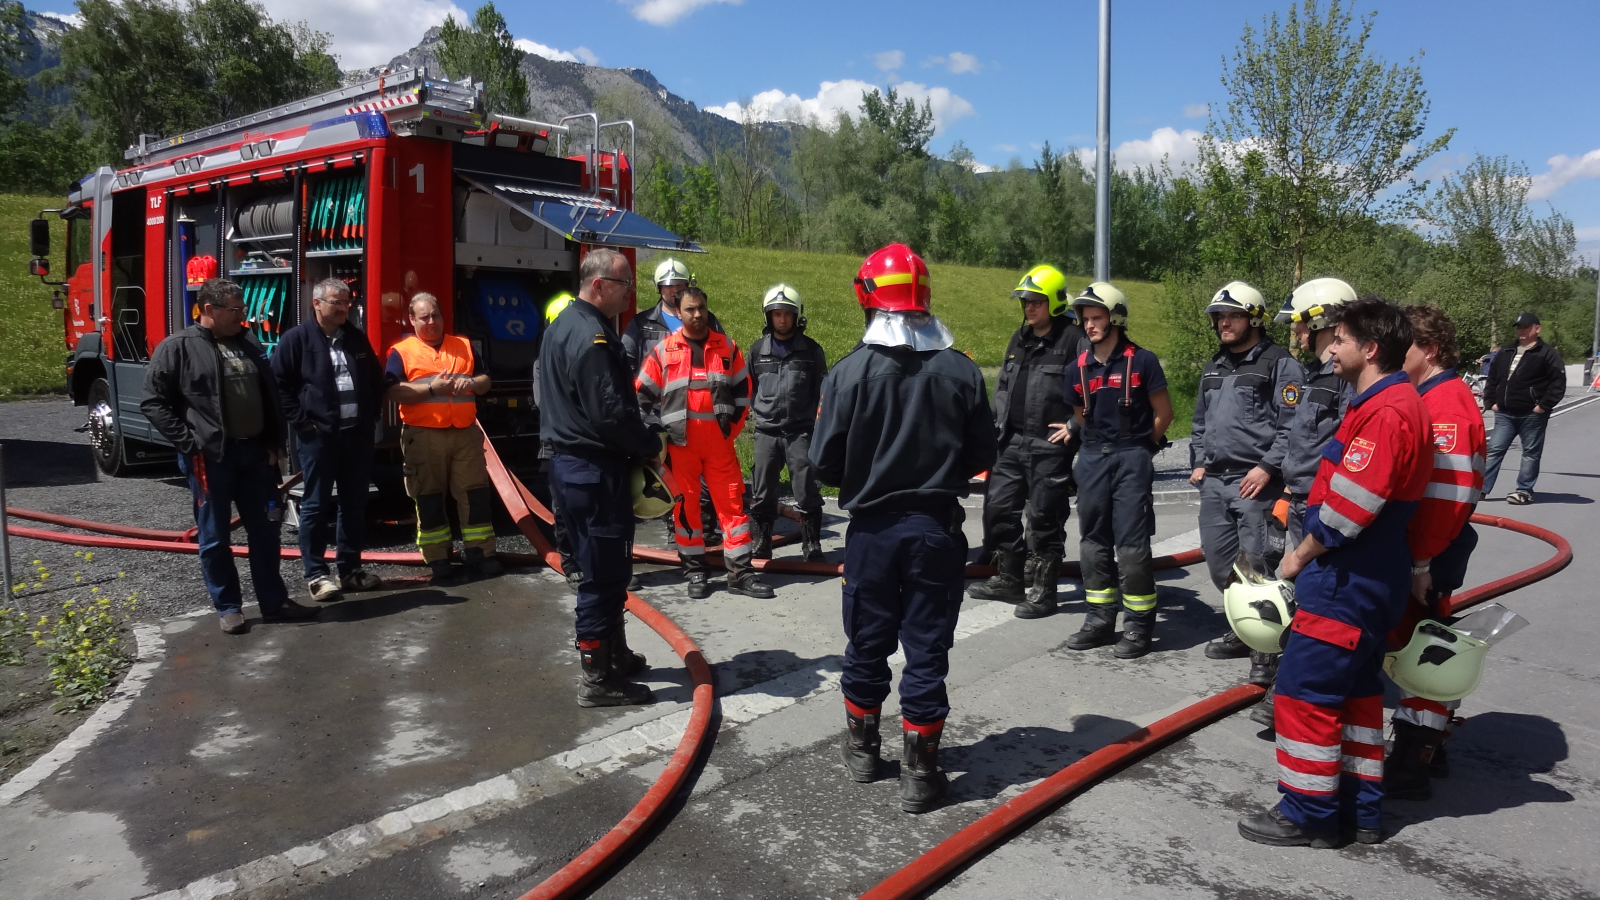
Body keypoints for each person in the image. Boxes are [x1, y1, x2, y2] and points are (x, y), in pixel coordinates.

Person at [812, 243, 998, 814]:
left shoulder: (847, 373)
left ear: (868, 298)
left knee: (867, 643)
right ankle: (921, 772)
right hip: (936, 532)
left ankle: (864, 751)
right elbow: (982, 451)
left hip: (870, 533)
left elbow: (823, 463)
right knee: (926, 650)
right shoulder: (962, 370)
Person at [1239, 296, 1430, 848]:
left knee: (1305, 692)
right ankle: (1359, 809)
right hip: (1372, 574)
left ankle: (1307, 814)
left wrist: (1298, 558)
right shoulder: (1391, 402)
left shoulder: (1386, 410)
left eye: (1341, 338)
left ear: (1370, 350)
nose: (1332, 345)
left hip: (1348, 576)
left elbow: (1350, 506)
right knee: (1357, 696)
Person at [141, 278, 319, 634]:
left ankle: (274, 602)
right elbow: (152, 401)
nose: (243, 316)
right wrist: (188, 443)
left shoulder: (248, 343)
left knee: (266, 532)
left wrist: (274, 444)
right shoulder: (178, 348)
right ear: (209, 310)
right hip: (210, 459)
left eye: (242, 309)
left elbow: (269, 396)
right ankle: (228, 607)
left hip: (255, 455)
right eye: (235, 310)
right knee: (215, 537)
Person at [539, 249, 664, 707]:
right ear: (599, 285)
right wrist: (649, 446)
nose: (630, 293)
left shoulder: (562, 326)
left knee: (605, 567)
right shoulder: (592, 336)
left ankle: (615, 655)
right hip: (593, 470)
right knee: (603, 574)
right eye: (625, 283)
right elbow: (610, 413)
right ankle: (597, 678)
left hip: (571, 469)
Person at [1385, 305, 1486, 802]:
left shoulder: (1446, 406)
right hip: (1423, 552)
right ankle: (1424, 745)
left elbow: (1448, 496)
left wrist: (1421, 563)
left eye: (1402, 346)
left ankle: (1411, 764)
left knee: (1421, 655)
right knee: (1417, 648)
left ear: (1430, 349)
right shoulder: (1434, 397)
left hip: (1426, 555)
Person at [1251, 277, 1358, 727]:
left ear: (1324, 321)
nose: (1295, 334)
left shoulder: (1346, 384)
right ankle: (1281, 676)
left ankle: (1294, 697)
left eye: (1299, 325)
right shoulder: (1315, 378)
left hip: (1322, 510)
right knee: (1288, 591)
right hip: (1296, 501)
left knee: (1313, 602)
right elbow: (1299, 440)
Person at [1193, 282, 1305, 683]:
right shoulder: (1214, 365)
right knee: (1221, 564)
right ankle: (1244, 628)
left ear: (1254, 318)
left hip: (1256, 482)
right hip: (1216, 482)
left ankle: (1266, 650)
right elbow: (1200, 420)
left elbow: (1293, 427)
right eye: (1220, 317)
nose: (1224, 323)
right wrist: (1198, 461)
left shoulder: (1280, 364)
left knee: (1258, 565)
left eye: (1233, 315)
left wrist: (1267, 468)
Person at [1054, 282, 1173, 659]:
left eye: (1096, 318)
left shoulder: (1143, 361)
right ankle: (1100, 619)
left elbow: (1164, 414)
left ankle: (1138, 627)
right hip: (1090, 457)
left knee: (1132, 546)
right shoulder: (1077, 367)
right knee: (1092, 543)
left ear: (1115, 318)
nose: (1088, 326)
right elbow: (1078, 416)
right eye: (1085, 319)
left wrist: (1142, 449)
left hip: (1131, 456)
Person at [636, 286, 774, 600]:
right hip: (680, 446)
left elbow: (743, 394)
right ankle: (696, 572)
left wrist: (728, 433)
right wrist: (653, 437)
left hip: (719, 446)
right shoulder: (664, 351)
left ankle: (740, 574)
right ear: (678, 311)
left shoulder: (727, 347)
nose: (697, 315)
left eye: (701, 308)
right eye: (689, 310)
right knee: (686, 510)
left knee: (733, 509)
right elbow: (641, 396)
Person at [969, 265, 1086, 618]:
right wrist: (992, 427)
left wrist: (1074, 426)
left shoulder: (1072, 341)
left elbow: (1090, 387)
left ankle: (1044, 592)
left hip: (1049, 446)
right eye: (1024, 301)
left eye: (1035, 301)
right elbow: (1003, 388)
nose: (1028, 308)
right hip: (1010, 442)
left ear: (1053, 302)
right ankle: (1009, 579)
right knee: (998, 511)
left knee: (1044, 519)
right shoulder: (1019, 338)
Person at [272, 278, 386, 602]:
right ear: (317, 304)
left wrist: (371, 417)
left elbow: (375, 380)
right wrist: (301, 422)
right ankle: (317, 575)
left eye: (346, 302)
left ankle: (350, 570)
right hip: (318, 438)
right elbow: (278, 385)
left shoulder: (355, 339)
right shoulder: (296, 340)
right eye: (336, 302)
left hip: (355, 437)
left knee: (353, 504)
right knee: (316, 504)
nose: (343, 308)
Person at [384, 292, 502, 585]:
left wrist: (472, 383)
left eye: (435, 315)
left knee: (475, 494)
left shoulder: (462, 345)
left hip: (464, 432)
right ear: (411, 320)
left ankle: (481, 553)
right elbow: (393, 391)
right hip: (423, 435)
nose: (432, 321)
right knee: (429, 497)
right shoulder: (401, 351)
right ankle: (438, 559)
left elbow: (486, 381)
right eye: (424, 317)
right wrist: (431, 389)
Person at [623, 257, 727, 549]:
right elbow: (626, 362)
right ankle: (675, 527)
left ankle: (703, 530)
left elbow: (721, 359)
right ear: (659, 289)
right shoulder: (641, 324)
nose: (673, 291)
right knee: (661, 472)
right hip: (655, 415)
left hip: (695, 414)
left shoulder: (705, 319)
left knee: (699, 478)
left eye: (679, 285)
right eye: (668, 286)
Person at [746, 283, 829, 562]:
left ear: (797, 316)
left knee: (806, 489)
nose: (782, 320)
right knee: (762, 491)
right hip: (766, 433)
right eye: (776, 314)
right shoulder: (757, 351)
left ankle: (812, 544)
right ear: (768, 316)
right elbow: (750, 388)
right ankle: (762, 543)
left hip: (800, 433)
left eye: (787, 314)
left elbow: (822, 394)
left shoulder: (811, 351)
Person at [1481, 312, 1566, 504]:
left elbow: (1558, 383)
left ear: (1537, 329)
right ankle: (1481, 489)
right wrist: (1490, 401)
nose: (1522, 331)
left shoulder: (1547, 353)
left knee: (1530, 453)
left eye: (1526, 328)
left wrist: (1542, 406)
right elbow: (1493, 377)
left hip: (1532, 414)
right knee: (1494, 449)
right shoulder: (1507, 351)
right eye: (1519, 328)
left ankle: (1524, 491)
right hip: (1504, 412)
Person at [533, 292, 583, 590]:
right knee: (564, 508)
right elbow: (545, 402)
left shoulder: (590, 355)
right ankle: (571, 562)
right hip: (558, 446)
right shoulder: (542, 364)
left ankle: (597, 563)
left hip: (588, 445)